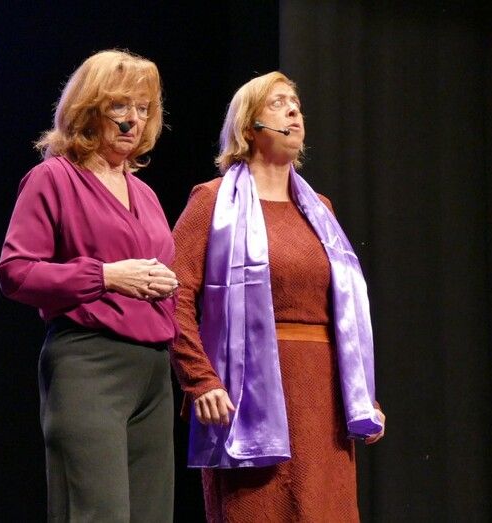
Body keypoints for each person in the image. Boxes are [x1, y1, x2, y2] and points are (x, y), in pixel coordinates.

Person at [169, 71, 386, 522]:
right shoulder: (212, 202)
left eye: (296, 104)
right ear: (249, 126)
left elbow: (342, 314)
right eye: (278, 103)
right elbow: (173, 295)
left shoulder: (319, 210)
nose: (293, 111)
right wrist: (200, 379)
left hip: (322, 399)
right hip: (248, 399)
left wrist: (363, 395)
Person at [0, 50, 179, 522]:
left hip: (153, 372)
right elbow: (16, 271)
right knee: (97, 513)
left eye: (143, 108)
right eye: (120, 106)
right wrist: (105, 276)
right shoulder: (53, 178)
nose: (133, 120)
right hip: (90, 363)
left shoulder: (146, 194)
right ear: (89, 109)